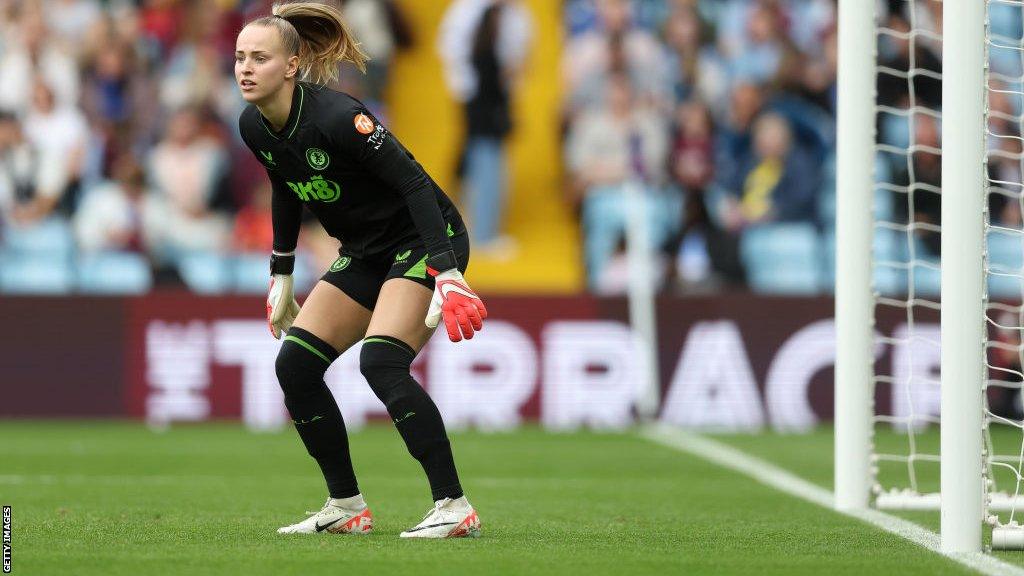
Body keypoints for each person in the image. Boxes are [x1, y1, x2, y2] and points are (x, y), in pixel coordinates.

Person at [234, 2, 488, 538]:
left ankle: (454, 505)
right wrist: (281, 270)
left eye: (260, 57)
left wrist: (445, 270)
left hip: (423, 239)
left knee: (381, 361)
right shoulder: (253, 126)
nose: (245, 68)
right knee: (295, 368)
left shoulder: (338, 117)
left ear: (292, 66)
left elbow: (417, 184)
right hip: (368, 248)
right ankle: (347, 507)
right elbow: (284, 184)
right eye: (239, 57)